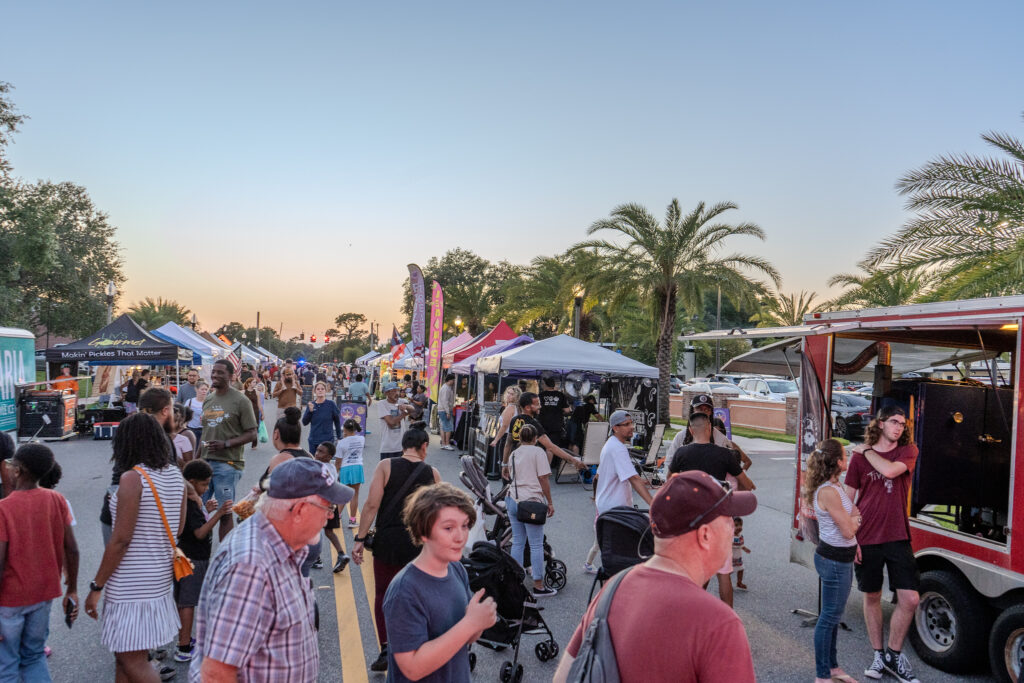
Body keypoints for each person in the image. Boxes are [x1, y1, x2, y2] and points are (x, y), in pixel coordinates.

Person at [553, 470, 758, 683]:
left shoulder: (614, 587)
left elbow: (563, 677)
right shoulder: (719, 624)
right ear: (705, 535)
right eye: (729, 519)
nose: (734, 527)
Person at [189, 457, 353, 682]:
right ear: (300, 510)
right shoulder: (250, 568)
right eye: (328, 506)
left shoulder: (282, 544)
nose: (331, 515)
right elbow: (217, 673)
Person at [84, 412, 187, 682]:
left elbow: (120, 540)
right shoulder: (176, 476)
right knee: (125, 658)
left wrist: (97, 586)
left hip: (131, 583)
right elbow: (177, 529)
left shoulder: (133, 478)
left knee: (131, 660)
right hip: (159, 578)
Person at [383, 483, 497, 682]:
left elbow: (464, 636)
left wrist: (479, 622)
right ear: (423, 532)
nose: (460, 537)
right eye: (448, 528)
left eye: (465, 525)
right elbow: (412, 668)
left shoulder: (457, 569)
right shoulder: (404, 591)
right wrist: (470, 623)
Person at [352, 427, 441, 673]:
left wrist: (360, 539)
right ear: (424, 446)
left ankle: (386, 647)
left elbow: (371, 505)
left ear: (404, 446)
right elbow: (438, 514)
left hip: (388, 541)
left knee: (384, 594)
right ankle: (418, 646)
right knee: (419, 597)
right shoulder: (432, 473)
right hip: (418, 545)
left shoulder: (386, 467)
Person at [845, 406, 921, 683]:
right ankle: (879, 654)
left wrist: (863, 449)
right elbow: (846, 499)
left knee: (910, 599)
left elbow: (889, 472)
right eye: (893, 422)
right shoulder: (857, 462)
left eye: (902, 423)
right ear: (880, 424)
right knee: (872, 596)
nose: (899, 427)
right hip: (867, 537)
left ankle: (894, 654)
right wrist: (850, 538)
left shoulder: (907, 451)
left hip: (898, 535)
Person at [0, 444, 79, 682]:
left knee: (7, 662)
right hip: (44, 595)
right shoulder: (57, 499)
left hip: (9, 600)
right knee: (34, 656)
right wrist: (72, 589)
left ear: (18, 470)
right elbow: (72, 549)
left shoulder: (3, 508)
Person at [669, 411, 755, 607]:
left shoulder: (682, 453)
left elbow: (670, 482)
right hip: (720, 521)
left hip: (693, 522)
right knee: (723, 574)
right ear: (710, 429)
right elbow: (747, 485)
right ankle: (728, 622)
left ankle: (695, 615)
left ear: (691, 430)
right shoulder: (725, 455)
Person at [804, 438, 862, 683]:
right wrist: (854, 525)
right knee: (828, 618)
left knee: (834, 615)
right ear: (838, 462)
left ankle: (834, 668)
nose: (847, 458)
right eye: (845, 455)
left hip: (841, 557)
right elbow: (849, 528)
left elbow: (854, 516)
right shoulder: (828, 492)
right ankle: (822, 675)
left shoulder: (836, 486)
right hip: (834, 561)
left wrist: (854, 530)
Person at [174, 459, 232, 663]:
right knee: (188, 603)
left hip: (191, 557)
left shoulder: (193, 502)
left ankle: (186, 639)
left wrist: (207, 509)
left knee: (186, 601)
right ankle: (183, 647)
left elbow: (197, 523)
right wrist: (218, 515)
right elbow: (199, 532)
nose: (207, 488)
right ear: (191, 481)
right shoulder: (189, 504)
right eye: (204, 484)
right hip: (193, 559)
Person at [584, 410, 654, 574]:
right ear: (615, 427)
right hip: (616, 510)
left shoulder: (610, 445)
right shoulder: (618, 449)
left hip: (607, 507)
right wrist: (653, 504)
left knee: (614, 553)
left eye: (631, 424)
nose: (631, 428)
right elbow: (634, 479)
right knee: (621, 558)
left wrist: (597, 497)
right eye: (627, 425)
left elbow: (601, 476)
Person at [258, 407, 322, 575]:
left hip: (290, 537)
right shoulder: (309, 456)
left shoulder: (280, 459)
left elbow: (272, 497)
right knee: (301, 588)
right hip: (311, 534)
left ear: (276, 434)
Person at [200, 358, 258, 541]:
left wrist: (226, 444)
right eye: (214, 372)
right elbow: (205, 433)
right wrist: (194, 461)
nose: (215, 375)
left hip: (228, 464)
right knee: (197, 508)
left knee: (224, 512)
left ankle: (225, 553)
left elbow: (252, 433)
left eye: (220, 372)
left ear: (231, 376)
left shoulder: (241, 401)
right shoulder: (208, 399)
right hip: (204, 463)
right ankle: (199, 553)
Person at [505, 424, 556, 596]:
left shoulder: (514, 453)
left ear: (519, 438)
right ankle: (539, 586)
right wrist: (549, 502)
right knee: (535, 544)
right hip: (531, 502)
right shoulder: (538, 453)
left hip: (513, 499)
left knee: (518, 541)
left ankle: (516, 582)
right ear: (535, 438)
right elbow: (543, 479)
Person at [502, 393, 585, 476]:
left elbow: (508, 444)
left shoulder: (514, 420)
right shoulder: (533, 424)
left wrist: (505, 464)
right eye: (537, 404)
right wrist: (574, 461)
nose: (540, 406)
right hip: (528, 467)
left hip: (514, 463)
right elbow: (551, 447)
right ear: (527, 407)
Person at [667, 393, 753, 472]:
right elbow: (669, 462)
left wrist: (737, 479)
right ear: (692, 410)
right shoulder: (680, 437)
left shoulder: (720, 438)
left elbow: (737, 463)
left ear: (711, 413)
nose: (703, 412)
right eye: (699, 409)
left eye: (707, 409)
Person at [313, 442, 350, 573]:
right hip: (331, 505)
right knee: (329, 532)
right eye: (317, 450)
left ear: (329, 456)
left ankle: (316, 558)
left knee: (313, 531)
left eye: (321, 452)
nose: (317, 453)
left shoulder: (319, 467)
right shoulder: (332, 467)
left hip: (320, 505)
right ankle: (341, 554)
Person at [335, 418, 366, 529]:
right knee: (355, 495)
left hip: (345, 468)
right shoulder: (362, 439)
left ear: (345, 429)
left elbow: (338, 462)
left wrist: (335, 473)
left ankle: (337, 517)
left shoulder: (341, 443)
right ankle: (352, 520)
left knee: (343, 494)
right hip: (357, 467)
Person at [377, 382, 414, 460]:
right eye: (393, 391)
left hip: (401, 446)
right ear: (387, 393)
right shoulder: (382, 404)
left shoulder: (401, 401)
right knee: (387, 471)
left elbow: (412, 409)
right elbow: (391, 422)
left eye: (397, 391)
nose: (396, 393)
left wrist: (406, 406)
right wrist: (404, 414)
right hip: (388, 447)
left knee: (401, 472)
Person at [302, 381, 341, 454]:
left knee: (325, 462)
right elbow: (304, 422)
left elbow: (337, 421)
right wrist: (310, 411)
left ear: (325, 391)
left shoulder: (331, 404)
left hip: (327, 440)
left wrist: (339, 437)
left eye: (322, 389)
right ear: (314, 391)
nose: (320, 390)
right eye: (318, 389)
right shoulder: (311, 405)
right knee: (314, 463)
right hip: (314, 440)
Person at [537, 376, 571, 446]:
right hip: (556, 425)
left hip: (542, 424)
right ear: (554, 385)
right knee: (552, 445)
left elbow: (536, 409)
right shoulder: (561, 395)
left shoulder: (540, 395)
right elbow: (567, 410)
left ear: (545, 385)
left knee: (542, 445)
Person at [489, 385, 522, 451]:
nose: (508, 395)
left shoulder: (511, 407)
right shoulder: (514, 407)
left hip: (507, 438)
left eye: (512, 394)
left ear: (516, 397)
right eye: (508, 393)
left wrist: (495, 440)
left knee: (504, 460)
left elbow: (504, 426)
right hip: (513, 437)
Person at [437, 375, 456, 450]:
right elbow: (445, 401)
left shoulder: (445, 387)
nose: (454, 381)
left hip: (442, 409)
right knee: (448, 427)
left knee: (443, 427)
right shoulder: (446, 388)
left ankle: (443, 443)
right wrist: (448, 412)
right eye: (453, 380)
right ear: (450, 380)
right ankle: (447, 444)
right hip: (444, 410)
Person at [243, 377, 262, 449]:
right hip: (246, 412)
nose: (255, 384)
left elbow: (259, 404)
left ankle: (254, 444)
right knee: (245, 427)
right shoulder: (243, 392)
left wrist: (262, 414)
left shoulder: (257, 392)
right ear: (249, 384)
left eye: (255, 382)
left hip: (255, 411)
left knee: (255, 427)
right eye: (254, 382)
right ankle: (241, 441)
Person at [733, 517, 751, 591]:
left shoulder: (740, 536)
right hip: (730, 557)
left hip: (738, 557)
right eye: (736, 525)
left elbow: (741, 545)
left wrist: (745, 548)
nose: (739, 527)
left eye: (741, 525)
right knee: (728, 572)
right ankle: (725, 583)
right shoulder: (730, 536)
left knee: (741, 569)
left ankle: (739, 582)